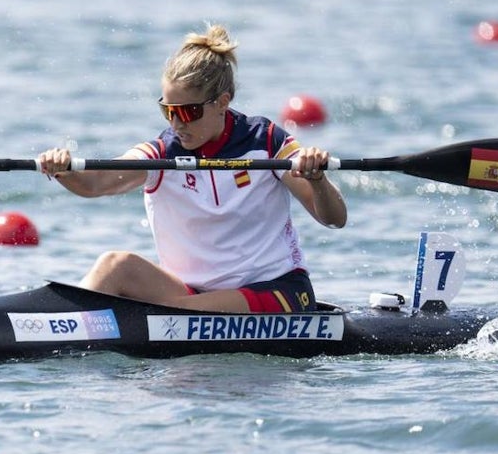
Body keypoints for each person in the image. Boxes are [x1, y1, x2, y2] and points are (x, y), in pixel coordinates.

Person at [37, 24, 347, 313]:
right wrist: (64, 170)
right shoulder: (161, 153)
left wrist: (317, 179)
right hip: (190, 295)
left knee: (182, 311)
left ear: (222, 102)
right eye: (168, 111)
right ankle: (59, 330)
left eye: (189, 113)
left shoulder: (266, 141)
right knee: (113, 265)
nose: (177, 124)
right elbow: (96, 184)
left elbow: (334, 219)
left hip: (277, 294)